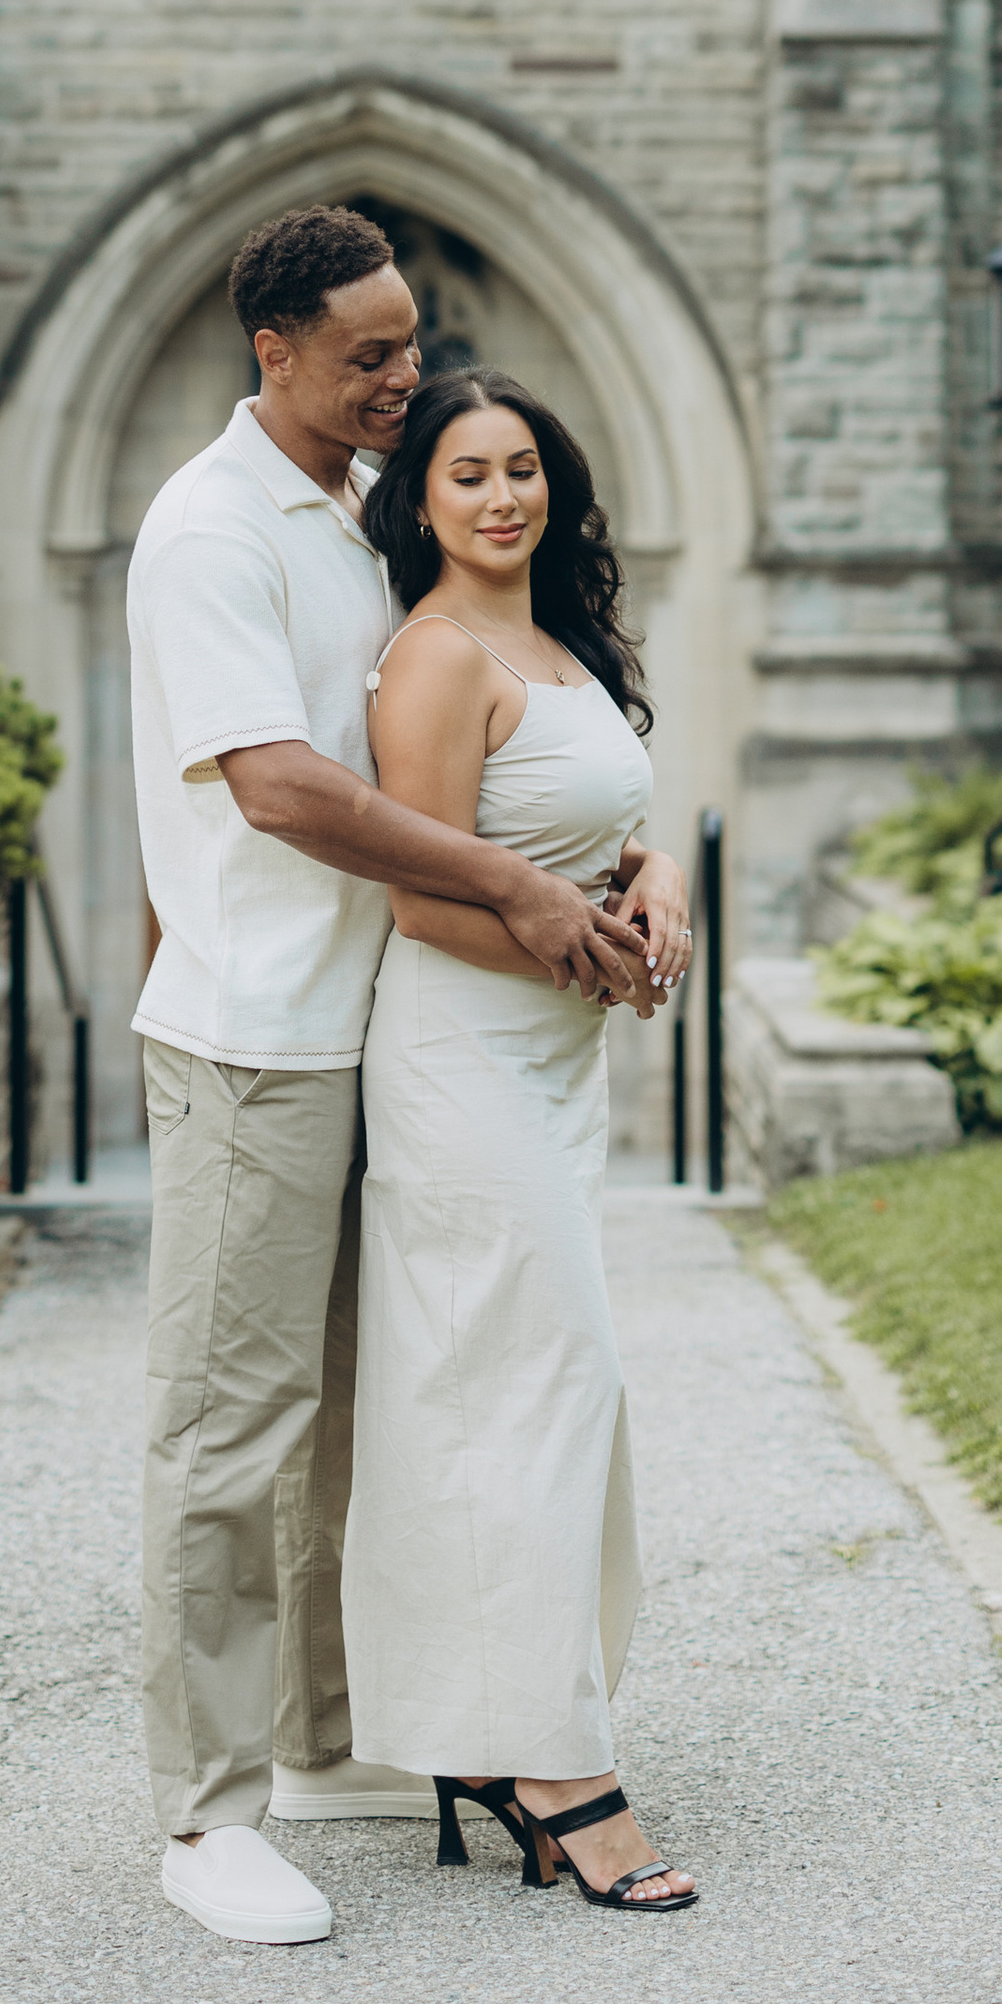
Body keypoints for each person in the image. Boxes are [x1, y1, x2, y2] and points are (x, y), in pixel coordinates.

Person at [127, 206, 694, 1947]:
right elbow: (284, 788)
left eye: (409, 342)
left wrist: (610, 872)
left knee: (379, 1411)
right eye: (368, 353)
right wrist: (527, 897)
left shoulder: (372, 528)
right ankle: (207, 1817)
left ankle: (330, 1739)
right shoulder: (212, 526)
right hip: (259, 1032)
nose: (405, 376)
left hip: (395, 1026)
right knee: (235, 1426)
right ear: (272, 351)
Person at [339, 366, 699, 1915]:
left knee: (549, 1382)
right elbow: (424, 896)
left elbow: (581, 825)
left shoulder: (552, 638)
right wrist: (585, 956)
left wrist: (657, 873)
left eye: (524, 468)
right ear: (418, 499)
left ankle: (515, 1730)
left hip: (553, 1064)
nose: (503, 496)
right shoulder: (429, 658)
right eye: (469, 473)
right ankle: (549, 1768)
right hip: (463, 1056)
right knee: (526, 1386)